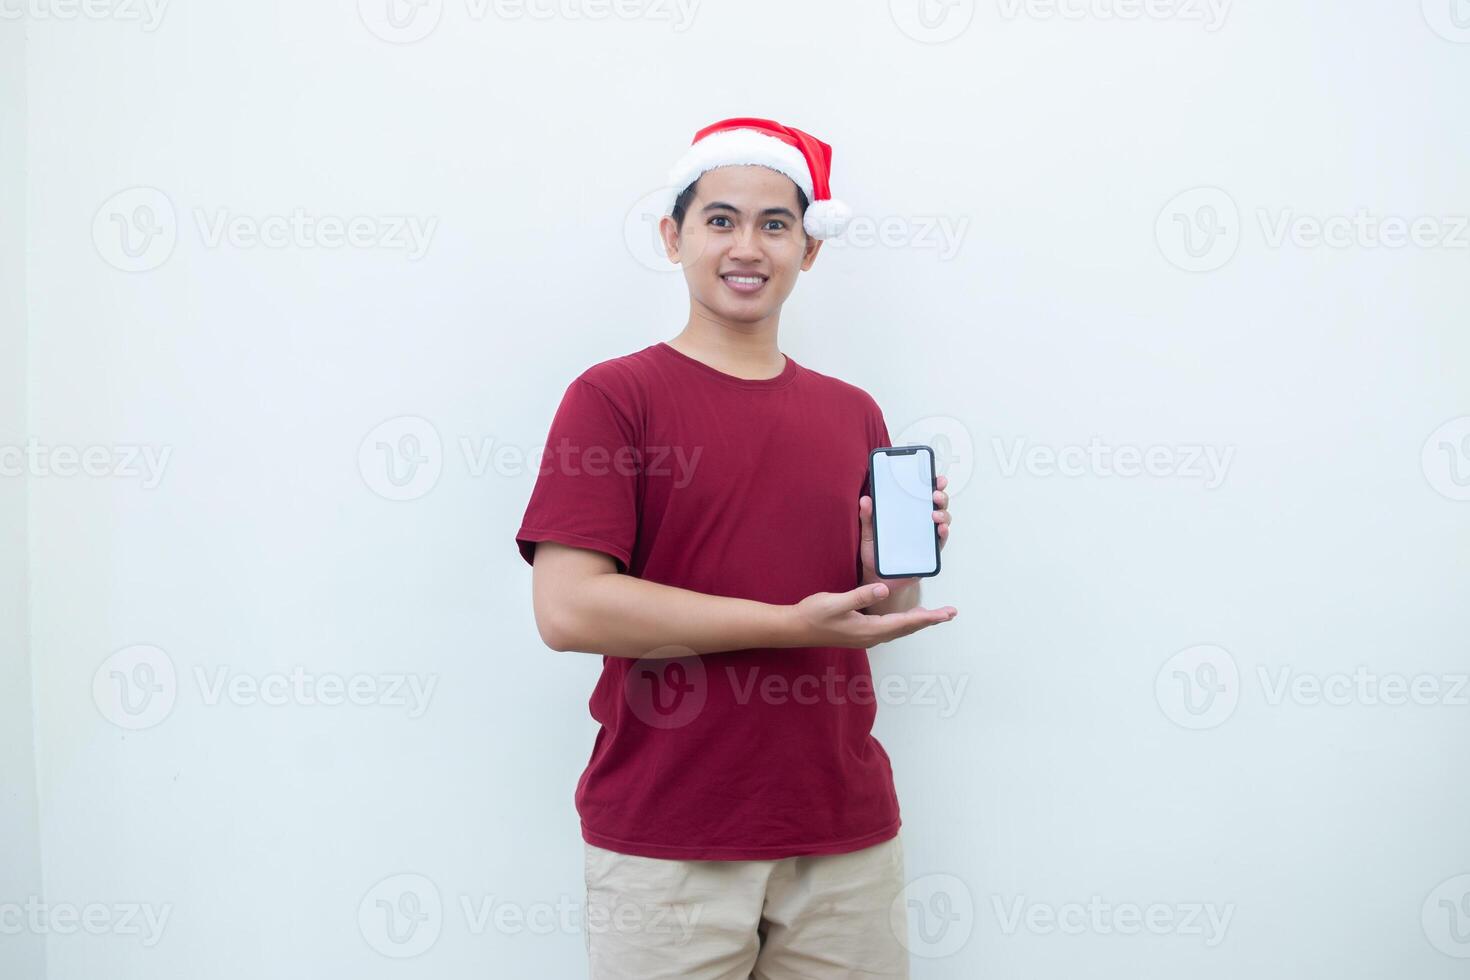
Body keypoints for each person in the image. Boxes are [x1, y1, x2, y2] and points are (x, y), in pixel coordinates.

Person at [515, 116, 958, 979]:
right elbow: (568, 610)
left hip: (845, 836)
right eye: (720, 220)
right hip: (670, 841)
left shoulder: (853, 411)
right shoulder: (614, 398)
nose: (747, 246)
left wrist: (888, 576)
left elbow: (875, 612)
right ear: (672, 237)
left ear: (809, 249)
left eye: (775, 223)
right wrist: (795, 625)